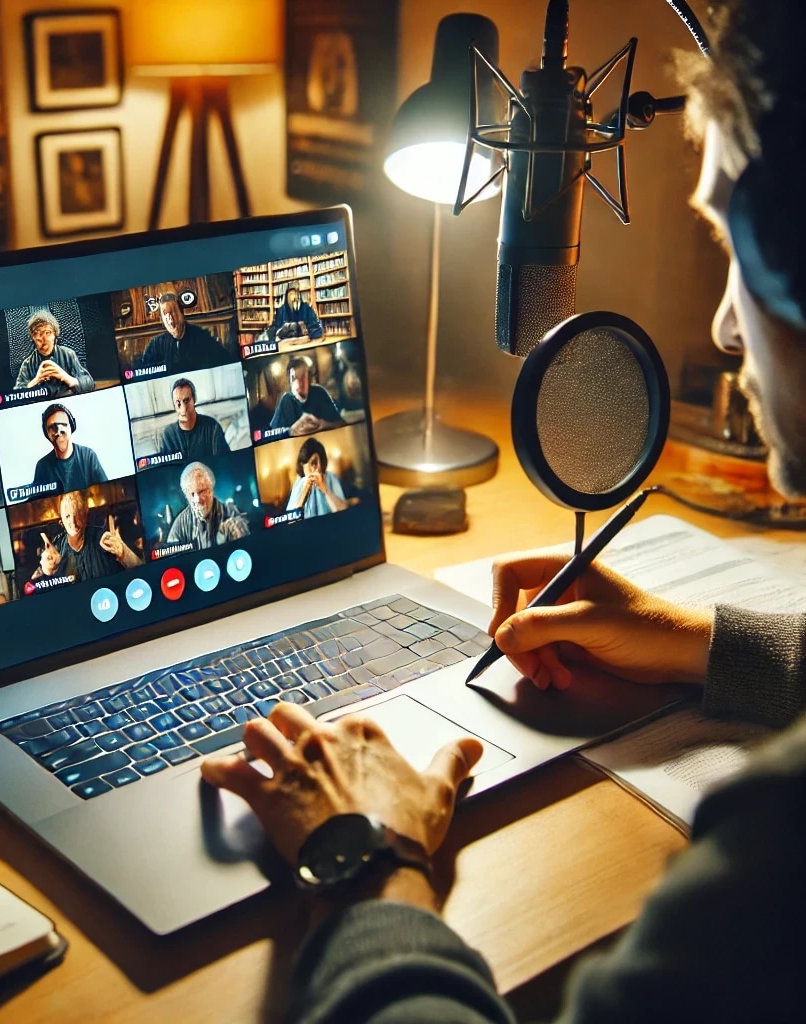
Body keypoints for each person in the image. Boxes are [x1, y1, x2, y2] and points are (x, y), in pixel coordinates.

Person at [201, 3, 806, 1020]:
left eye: (733, 248)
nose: (723, 328)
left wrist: (367, 861)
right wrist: (699, 641)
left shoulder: (777, 844)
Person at [36, 489, 141, 583]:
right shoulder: (56, 546)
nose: (73, 522)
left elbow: (141, 569)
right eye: (67, 516)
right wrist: (46, 569)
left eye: (77, 514)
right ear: (61, 521)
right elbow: (34, 584)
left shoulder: (105, 538)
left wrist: (123, 552)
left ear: (85, 514)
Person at [136, 292, 231, 373]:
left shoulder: (202, 337)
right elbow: (144, 371)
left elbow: (224, 361)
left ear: (182, 314)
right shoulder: (156, 345)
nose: (170, 318)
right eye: (165, 314)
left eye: (173, 312)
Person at [166, 462, 249, 549]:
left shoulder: (231, 513)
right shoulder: (180, 525)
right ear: (186, 496)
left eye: (202, 491)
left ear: (211, 490)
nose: (197, 500)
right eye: (192, 494)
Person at [14, 309, 94, 397]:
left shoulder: (68, 355)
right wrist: (36, 380)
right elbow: (16, 395)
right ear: (33, 337)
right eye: (37, 333)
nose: (43, 339)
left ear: (55, 334)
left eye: (47, 333)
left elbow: (89, 383)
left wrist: (66, 377)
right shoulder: (27, 364)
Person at [32, 403, 107, 493]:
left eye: (63, 424)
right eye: (52, 428)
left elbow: (106, 492)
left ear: (71, 427)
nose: (58, 432)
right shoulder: (43, 466)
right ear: (47, 434)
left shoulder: (88, 456)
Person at [269, 356, 344, 437]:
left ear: (310, 379)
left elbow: (340, 423)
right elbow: (272, 434)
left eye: (303, 377)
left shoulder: (319, 392)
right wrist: (291, 431)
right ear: (289, 381)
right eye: (294, 378)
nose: (298, 383)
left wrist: (323, 424)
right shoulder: (286, 400)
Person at [159, 378, 230, 461]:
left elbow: (224, 461)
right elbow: (167, 469)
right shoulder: (169, 435)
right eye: (178, 403)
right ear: (174, 405)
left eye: (186, 401)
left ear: (194, 400)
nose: (183, 409)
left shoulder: (212, 428)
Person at [286, 437, 347, 518]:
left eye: (318, 462)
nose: (316, 468)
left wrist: (326, 490)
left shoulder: (331, 478)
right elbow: (290, 520)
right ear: (302, 465)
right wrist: (304, 494)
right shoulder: (299, 483)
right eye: (312, 463)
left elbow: (344, 511)